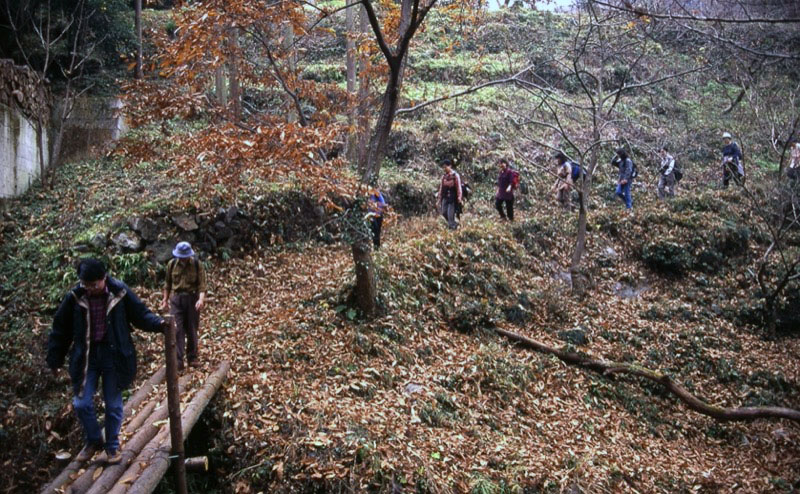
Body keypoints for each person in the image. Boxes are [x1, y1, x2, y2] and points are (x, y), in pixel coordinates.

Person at [47, 259, 166, 465]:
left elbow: (141, 314)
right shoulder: (75, 297)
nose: (90, 289)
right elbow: (61, 329)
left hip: (114, 354)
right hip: (86, 357)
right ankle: (94, 440)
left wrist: (161, 324)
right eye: (86, 284)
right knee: (81, 403)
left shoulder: (119, 292)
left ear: (104, 279)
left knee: (113, 405)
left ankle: (111, 446)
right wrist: (55, 360)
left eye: (94, 284)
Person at [161, 242, 206, 370]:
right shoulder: (172, 265)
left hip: (192, 299)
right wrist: (165, 300)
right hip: (177, 300)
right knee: (177, 329)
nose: (182, 259)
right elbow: (167, 284)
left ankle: (192, 357)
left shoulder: (197, 265)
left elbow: (202, 285)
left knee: (192, 329)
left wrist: (201, 300)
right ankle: (178, 361)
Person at [436, 158, 462, 230]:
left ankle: (452, 228)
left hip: (452, 199)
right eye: (443, 167)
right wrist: (439, 199)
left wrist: (459, 197)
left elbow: (458, 187)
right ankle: (454, 224)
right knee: (444, 212)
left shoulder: (455, 176)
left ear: (450, 166)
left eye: (445, 167)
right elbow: (441, 188)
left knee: (450, 215)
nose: (444, 168)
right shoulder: (444, 177)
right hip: (445, 198)